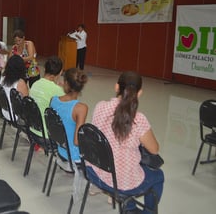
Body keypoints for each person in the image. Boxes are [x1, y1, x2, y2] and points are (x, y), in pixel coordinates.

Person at [89, 71, 164, 213]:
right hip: (121, 182)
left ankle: (129, 207)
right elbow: (154, 149)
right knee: (158, 176)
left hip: (96, 172)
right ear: (139, 93)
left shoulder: (100, 106)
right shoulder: (138, 119)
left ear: (116, 87)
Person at [50, 68, 88, 171]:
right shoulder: (81, 108)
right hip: (73, 158)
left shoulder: (53, 100)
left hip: (59, 150)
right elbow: (77, 141)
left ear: (66, 83)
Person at [30, 56, 64, 138]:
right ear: (60, 73)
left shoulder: (35, 84)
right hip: (47, 134)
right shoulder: (58, 90)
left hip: (33, 129)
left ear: (44, 69)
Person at [0, 55, 29, 121]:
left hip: (4, 111)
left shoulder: (3, 77)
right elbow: (26, 103)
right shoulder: (20, 82)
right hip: (15, 116)